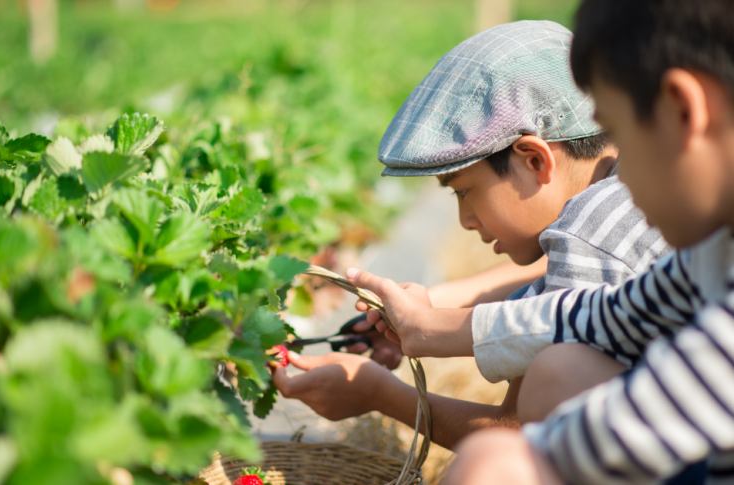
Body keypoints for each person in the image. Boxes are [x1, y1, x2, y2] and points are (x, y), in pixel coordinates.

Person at [365, 0, 734, 482]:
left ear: (682, 111)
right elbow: (607, 312)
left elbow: (521, 437)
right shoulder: (712, 252)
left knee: (544, 393)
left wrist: (380, 395)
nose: (623, 178)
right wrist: (432, 323)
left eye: (620, 133)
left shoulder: (601, 218)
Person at [272, 20, 668, 450]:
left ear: (534, 159)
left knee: (550, 381)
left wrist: (381, 394)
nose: (465, 220)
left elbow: (514, 436)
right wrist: (433, 305)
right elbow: (558, 290)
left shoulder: (592, 230)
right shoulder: (629, 185)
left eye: (464, 192)